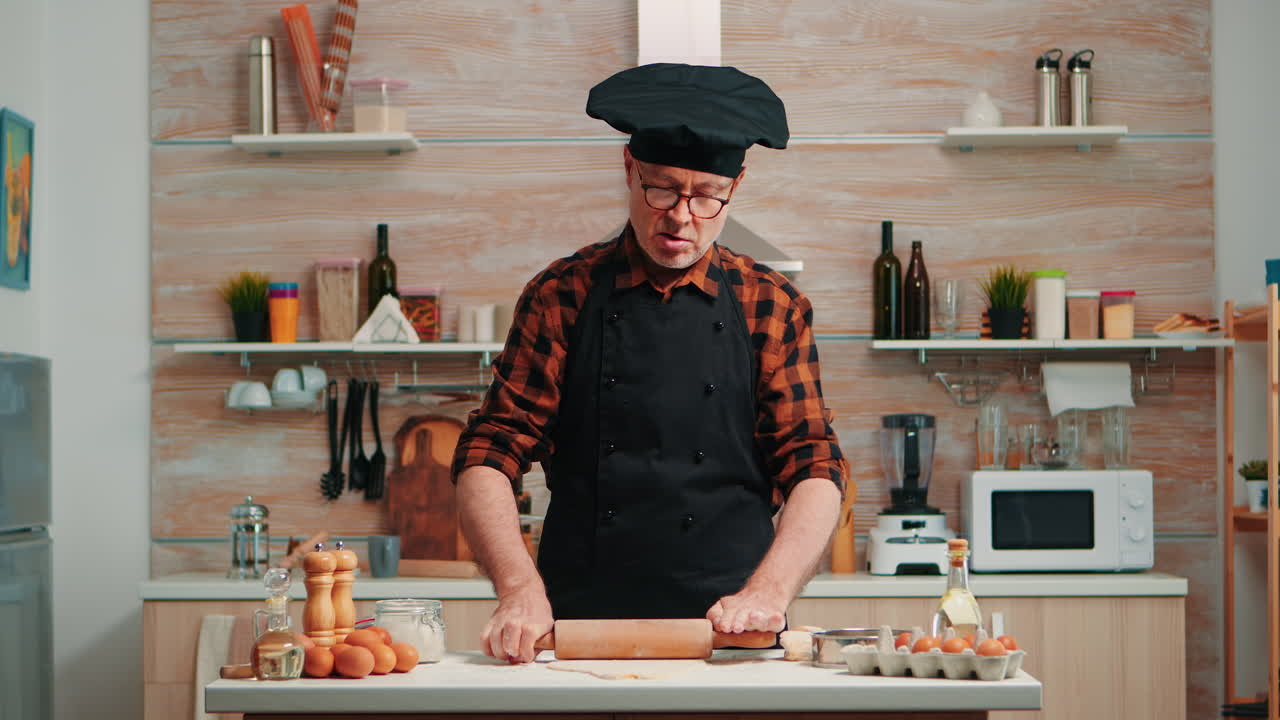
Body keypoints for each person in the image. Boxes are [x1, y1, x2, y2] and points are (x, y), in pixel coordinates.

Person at [451, 63, 850, 664]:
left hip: (733, 630)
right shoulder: (563, 293)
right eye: (662, 188)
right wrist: (518, 588)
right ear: (630, 170)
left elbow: (815, 465)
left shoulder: (771, 304)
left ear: (733, 188)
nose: (682, 216)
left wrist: (767, 592)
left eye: (708, 196)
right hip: (579, 628)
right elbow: (489, 451)